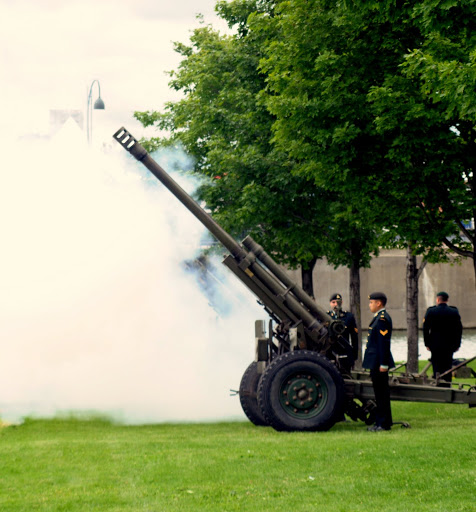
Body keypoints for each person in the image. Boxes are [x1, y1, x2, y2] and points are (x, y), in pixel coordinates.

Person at [363, 292, 395, 432]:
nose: (370, 305)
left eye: (371, 302)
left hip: (378, 363)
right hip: (375, 361)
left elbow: (383, 343)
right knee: (380, 393)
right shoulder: (378, 318)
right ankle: (382, 422)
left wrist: (383, 364)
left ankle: (383, 424)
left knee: (381, 393)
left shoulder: (382, 319)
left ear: (379, 303)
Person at [423, 291, 462, 382]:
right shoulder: (454, 311)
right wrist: (457, 344)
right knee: (447, 367)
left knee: (436, 366)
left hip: (435, 345)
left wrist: (427, 343)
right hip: (449, 345)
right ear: (447, 300)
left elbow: (425, 329)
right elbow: (459, 330)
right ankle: (447, 385)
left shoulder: (431, 311)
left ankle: (437, 384)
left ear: (437, 300)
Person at [327, 293, 359, 362]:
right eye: (333, 302)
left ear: (342, 302)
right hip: (330, 352)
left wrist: (354, 354)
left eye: (338, 302)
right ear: (330, 303)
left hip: (344, 352)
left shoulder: (348, 316)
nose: (336, 304)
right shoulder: (327, 316)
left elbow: (354, 337)